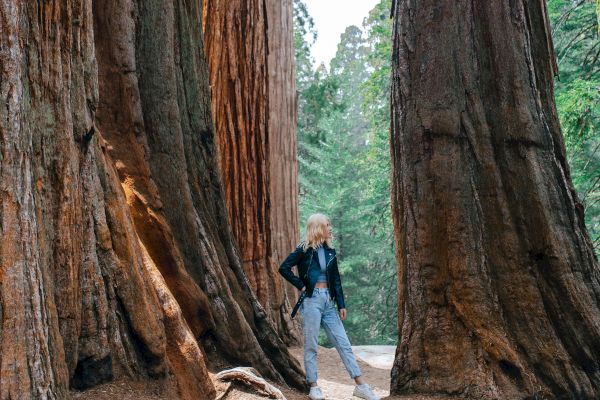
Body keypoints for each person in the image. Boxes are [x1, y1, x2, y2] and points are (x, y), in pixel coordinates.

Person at [279, 213, 380, 400]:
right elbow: (284, 268)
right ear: (317, 228)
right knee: (311, 345)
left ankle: (361, 386)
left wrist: (341, 303)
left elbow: (336, 279)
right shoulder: (303, 249)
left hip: (328, 302)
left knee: (344, 344)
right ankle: (314, 386)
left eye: (330, 225)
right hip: (311, 301)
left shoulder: (330, 251)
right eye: (326, 225)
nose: (330, 228)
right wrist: (301, 285)